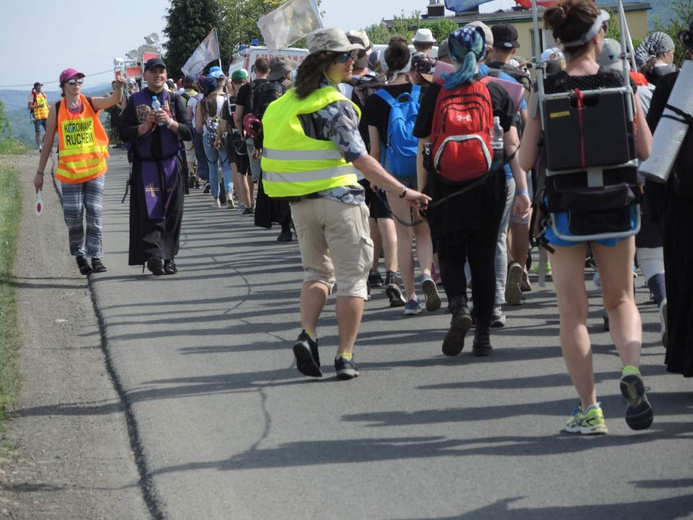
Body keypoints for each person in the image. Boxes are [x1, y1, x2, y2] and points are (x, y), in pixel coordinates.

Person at [260, 28, 430, 380]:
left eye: (353, 55)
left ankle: (308, 334)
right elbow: (360, 159)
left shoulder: (284, 103)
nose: (352, 61)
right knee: (353, 281)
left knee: (316, 275)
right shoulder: (333, 104)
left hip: (301, 206)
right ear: (325, 62)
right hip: (340, 203)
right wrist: (403, 191)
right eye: (343, 57)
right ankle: (345, 356)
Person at [519, 0, 654, 434]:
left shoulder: (548, 89)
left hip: (566, 213)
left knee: (572, 314)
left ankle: (589, 409)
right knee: (621, 301)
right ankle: (630, 369)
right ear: (598, 38)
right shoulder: (620, 83)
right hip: (617, 207)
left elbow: (523, 160)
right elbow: (646, 150)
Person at [413, 27, 530, 358]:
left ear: (450, 54)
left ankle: (458, 307)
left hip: (444, 186)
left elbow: (422, 145)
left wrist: (422, 191)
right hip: (488, 185)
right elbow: (511, 145)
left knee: (449, 255)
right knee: (482, 258)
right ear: (485, 54)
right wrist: (521, 188)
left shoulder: (436, 91)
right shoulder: (497, 90)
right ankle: (482, 335)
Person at [365, 38, 440, 315]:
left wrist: (375, 178)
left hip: (392, 172)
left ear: (384, 64)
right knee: (423, 230)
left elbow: (374, 148)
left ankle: (410, 298)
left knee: (402, 233)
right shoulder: (423, 92)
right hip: (423, 168)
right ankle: (427, 273)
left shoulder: (375, 100)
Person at [34, 68, 125, 275]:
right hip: (70, 173)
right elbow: (48, 141)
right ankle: (79, 255)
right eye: (72, 82)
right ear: (63, 87)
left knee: (94, 213)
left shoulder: (90, 102)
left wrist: (119, 88)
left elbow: (112, 101)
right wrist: (40, 172)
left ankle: (96, 256)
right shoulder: (56, 109)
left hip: (94, 169)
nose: (77, 85)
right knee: (73, 216)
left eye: (79, 81)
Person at [645, 17, 693, 377]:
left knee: (685, 283)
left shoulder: (673, 86)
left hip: (683, 204)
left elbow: (654, 152)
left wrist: (659, 211)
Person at [118, 58, 193, 276]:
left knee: (173, 212)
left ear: (165, 74)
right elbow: (123, 133)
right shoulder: (135, 100)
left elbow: (188, 132)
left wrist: (170, 122)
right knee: (151, 212)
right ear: (145, 75)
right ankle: (154, 256)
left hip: (171, 165)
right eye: (153, 72)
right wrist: (145, 126)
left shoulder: (174, 99)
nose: (158, 75)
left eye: (161, 71)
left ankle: (169, 258)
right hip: (146, 167)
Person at [218, 69, 253, 213]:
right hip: (253, 135)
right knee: (252, 172)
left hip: (235, 137)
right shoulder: (252, 96)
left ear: (232, 83)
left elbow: (223, 125)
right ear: (247, 80)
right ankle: (254, 199)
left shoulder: (230, 101)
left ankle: (245, 203)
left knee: (239, 171)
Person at [197, 75, 234, 208]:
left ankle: (216, 199)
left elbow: (199, 126)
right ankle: (229, 194)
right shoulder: (227, 98)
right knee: (227, 166)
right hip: (225, 134)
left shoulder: (203, 102)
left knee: (212, 167)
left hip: (209, 136)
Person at [28, 82, 49, 150]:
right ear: (35, 88)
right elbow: (29, 106)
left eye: (40, 86)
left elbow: (46, 104)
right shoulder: (32, 96)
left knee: (49, 131)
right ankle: (40, 147)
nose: (39, 88)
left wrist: (51, 110)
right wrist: (38, 106)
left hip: (45, 116)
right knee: (38, 132)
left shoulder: (43, 94)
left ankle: (43, 144)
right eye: (38, 87)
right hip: (37, 117)